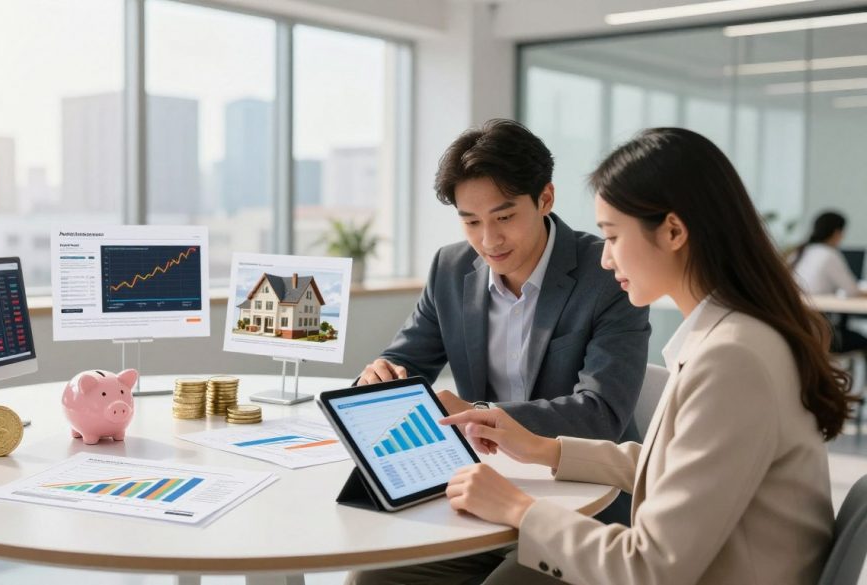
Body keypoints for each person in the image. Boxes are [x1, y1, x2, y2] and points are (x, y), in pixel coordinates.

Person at [439, 127, 853, 585]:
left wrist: (517, 507)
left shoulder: (733, 360)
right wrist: (544, 449)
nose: (605, 259)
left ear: (673, 231)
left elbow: (651, 567)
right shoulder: (737, 336)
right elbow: (677, 468)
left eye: (613, 237)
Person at [347, 119, 650, 584]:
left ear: (545, 198)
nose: (488, 240)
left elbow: (602, 413)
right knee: (372, 578)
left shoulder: (607, 273)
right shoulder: (451, 268)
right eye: (471, 221)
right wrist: (380, 381)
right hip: (482, 490)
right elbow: (407, 362)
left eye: (504, 217)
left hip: (583, 500)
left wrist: (478, 413)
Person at [791, 211, 867, 354]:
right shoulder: (829, 254)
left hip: (799, 332)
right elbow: (852, 291)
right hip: (822, 335)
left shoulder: (799, 253)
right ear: (837, 232)